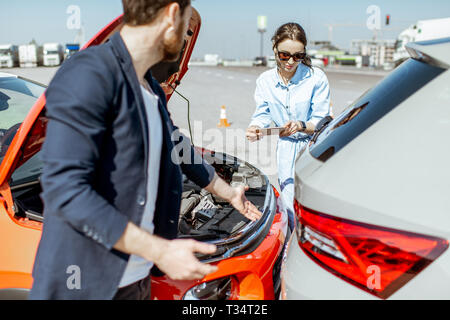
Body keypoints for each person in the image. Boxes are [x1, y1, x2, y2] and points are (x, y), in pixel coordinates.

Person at [30, 0, 262, 300]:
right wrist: (160, 250)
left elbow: (177, 146)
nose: (185, 40)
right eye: (186, 30)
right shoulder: (89, 73)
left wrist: (229, 193)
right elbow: (65, 191)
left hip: (135, 279)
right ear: (171, 15)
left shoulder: (149, 86)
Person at [246, 23, 331, 231]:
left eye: (298, 56)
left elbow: (323, 120)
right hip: (286, 149)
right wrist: (256, 127)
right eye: (285, 55)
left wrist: (301, 125)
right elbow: (263, 113)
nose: (291, 62)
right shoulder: (265, 81)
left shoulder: (316, 78)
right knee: (288, 204)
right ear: (275, 48)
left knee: (312, 205)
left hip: (313, 146)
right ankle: (290, 253)